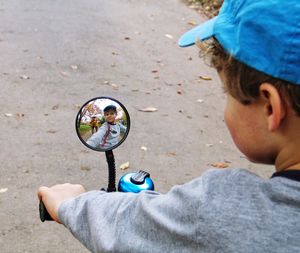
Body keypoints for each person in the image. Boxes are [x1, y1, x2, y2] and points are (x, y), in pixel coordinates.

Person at [37, 0, 300, 252]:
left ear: (269, 107)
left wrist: (71, 204)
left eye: (226, 93)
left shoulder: (227, 209)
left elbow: (128, 224)